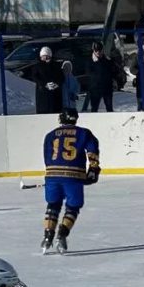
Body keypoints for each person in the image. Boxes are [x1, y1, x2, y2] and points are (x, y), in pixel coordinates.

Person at [41, 109, 100, 255]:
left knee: (53, 205)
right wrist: (93, 169)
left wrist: (51, 173)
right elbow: (92, 151)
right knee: (73, 207)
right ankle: (62, 233)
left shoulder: (50, 135)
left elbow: (47, 157)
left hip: (52, 175)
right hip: (73, 175)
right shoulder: (84, 133)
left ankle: (48, 235)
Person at [84, 41, 117, 112]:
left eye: (99, 50)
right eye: (96, 50)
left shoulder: (107, 60)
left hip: (107, 88)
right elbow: (90, 74)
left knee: (109, 108)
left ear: (102, 50)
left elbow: (113, 71)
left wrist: (112, 80)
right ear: (93, 50)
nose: (98, 52)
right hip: (95, 89)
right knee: (94, 108)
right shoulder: (90, 61)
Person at [31, 46, 63, 115]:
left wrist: (57, 84)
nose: (45, 58)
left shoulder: (56, 65)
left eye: (47, 56)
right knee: (44, 112)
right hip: (43, 94)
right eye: (43, 56)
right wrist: (45, 84)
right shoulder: (37, 66)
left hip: (55, 95)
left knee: (55, 111)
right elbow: (34, 77)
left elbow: (61, 77)